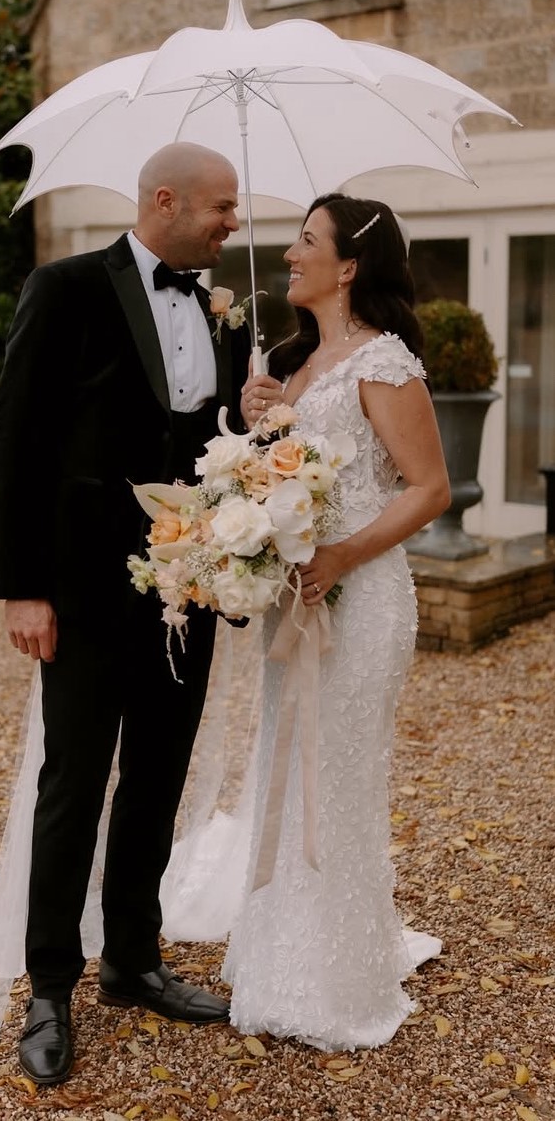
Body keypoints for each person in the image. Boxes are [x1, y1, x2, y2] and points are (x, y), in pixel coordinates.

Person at [0, 141, 251, 1085]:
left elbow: (219, 448)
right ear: (165, 201)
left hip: (193, 593)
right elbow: (17, 438)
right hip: (87, 589)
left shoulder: (229, 313)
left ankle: (133, 962)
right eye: (220, 208)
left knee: (158, 781)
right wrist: (23, 585)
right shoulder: (65, 290)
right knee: (74, 787)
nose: (232, 224)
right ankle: (49, 984)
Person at [210, 191, 450, 1049]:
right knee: (288, 761)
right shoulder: (295, 363)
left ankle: (340, 973)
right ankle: (284, 954)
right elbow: (288, 478)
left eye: (307, 241)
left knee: (340, 774)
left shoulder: (383, 364)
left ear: (349, 266)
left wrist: (342, 557)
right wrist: (258, 424)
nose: (289, 253)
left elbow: (429, 489)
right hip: (298, 598)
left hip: (363, 594)